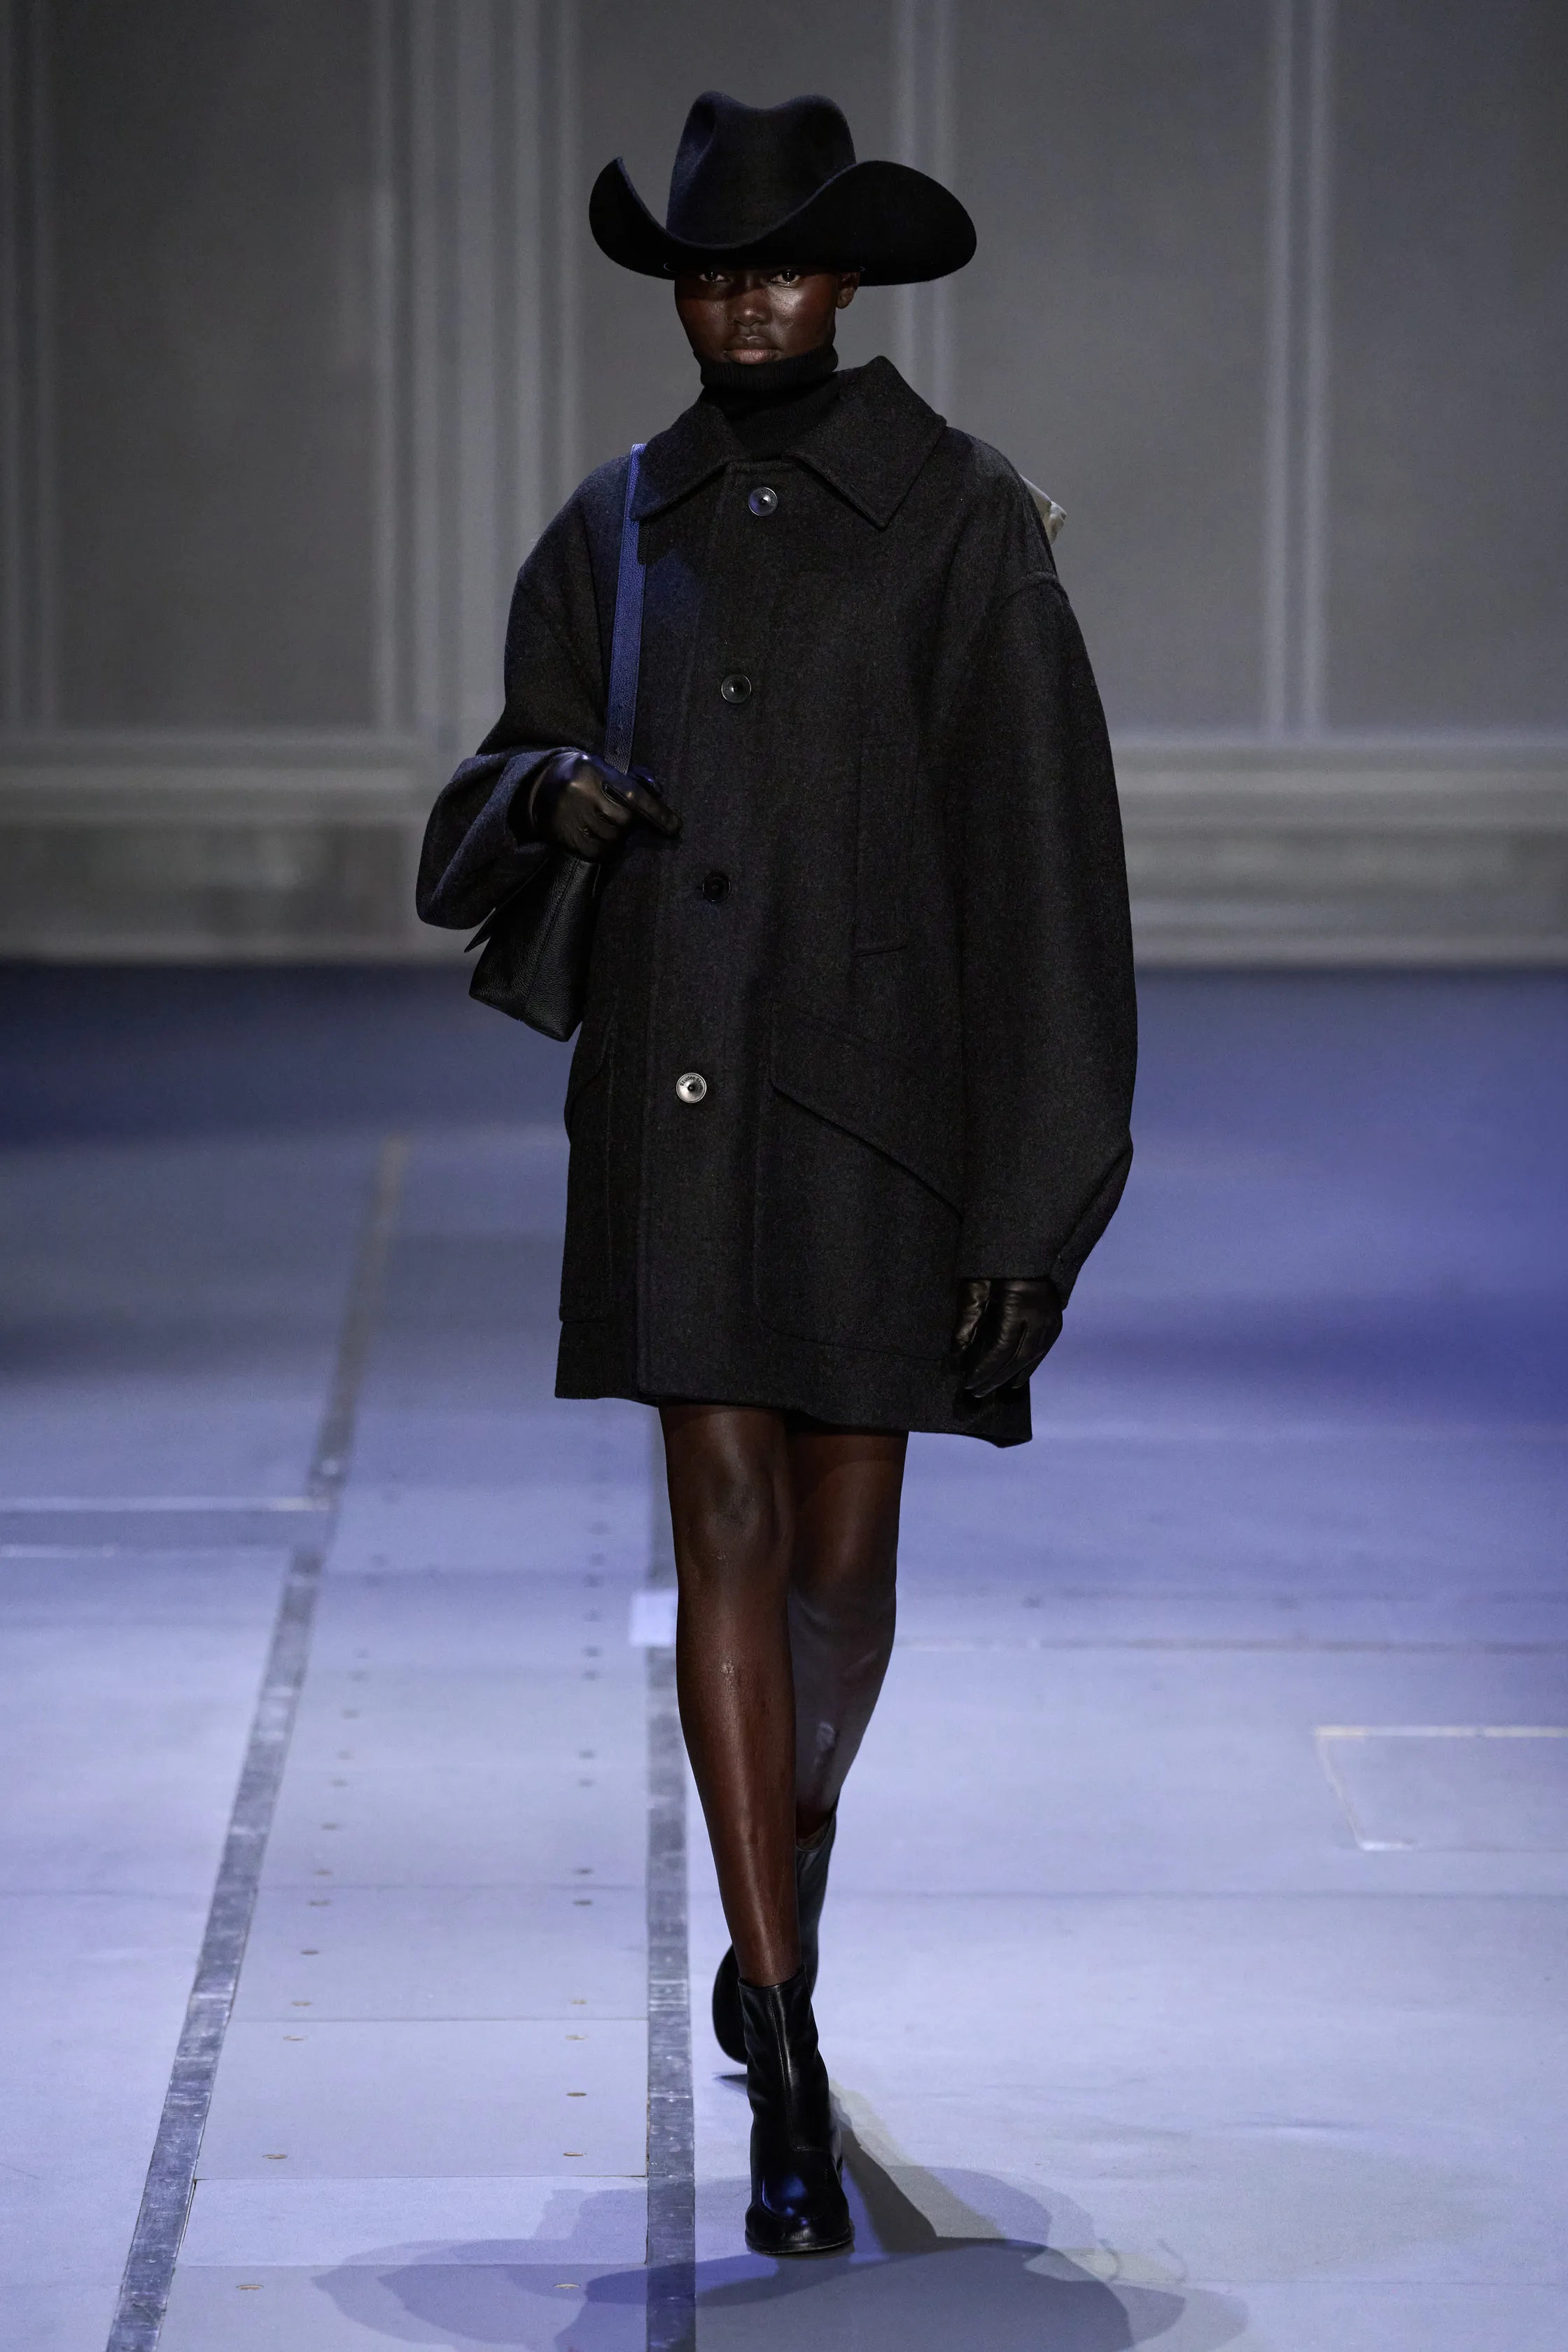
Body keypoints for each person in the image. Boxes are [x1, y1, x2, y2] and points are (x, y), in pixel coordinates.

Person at [416, 90, 1136, 2258]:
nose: (746, 302)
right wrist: (551, 795)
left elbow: (1048, 880)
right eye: (711, 272)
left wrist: (1036, 1206)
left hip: (880, 1124)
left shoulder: (960, 519)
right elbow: (483, 793)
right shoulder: (612, 524)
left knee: (845, 1564)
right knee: (721, 1522)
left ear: (849, 278)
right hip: (673, 1107)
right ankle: (787, 2036)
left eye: (784, 266)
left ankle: (780, 1873)